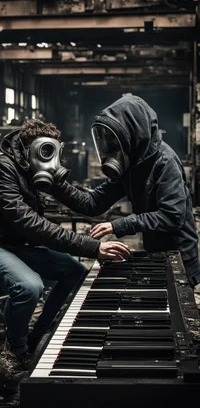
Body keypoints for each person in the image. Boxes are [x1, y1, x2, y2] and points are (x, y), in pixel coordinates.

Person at [0, 119, 129, 391]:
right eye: (45, 151)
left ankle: (35, 339)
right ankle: (14, 352)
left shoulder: (38, 170)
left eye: (54, 152)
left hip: (17, 250)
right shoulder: (1, 168)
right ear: (29, 150)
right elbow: (30, 224)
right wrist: (92, 247)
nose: (51, 159)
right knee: (29, 286)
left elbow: (85, 202)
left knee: (74, 271)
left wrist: (123, 180)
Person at [51, 95, 200, 290]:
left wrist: (119, 225)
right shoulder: (131, 163)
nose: (111, 147)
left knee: (174, 315)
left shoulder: (165, 163)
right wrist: (55, 184)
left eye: (114, 139)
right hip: (155, 252)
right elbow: (93, 203)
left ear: (133, 133)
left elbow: (172, 217)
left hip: (179, 257)